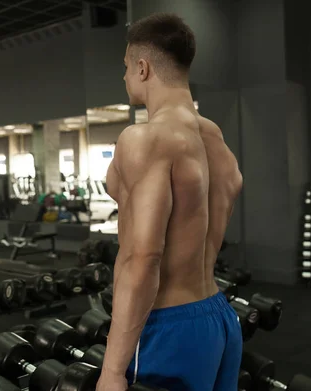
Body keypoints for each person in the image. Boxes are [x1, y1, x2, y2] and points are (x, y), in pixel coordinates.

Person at [96, 14, 244, 391]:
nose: (124, 77)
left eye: (126, 68)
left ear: (143, 68)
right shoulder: (213, 138)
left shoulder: (145, 139)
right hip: (218, 317)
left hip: (168, 324)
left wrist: (112, 371)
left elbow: (142, 258)